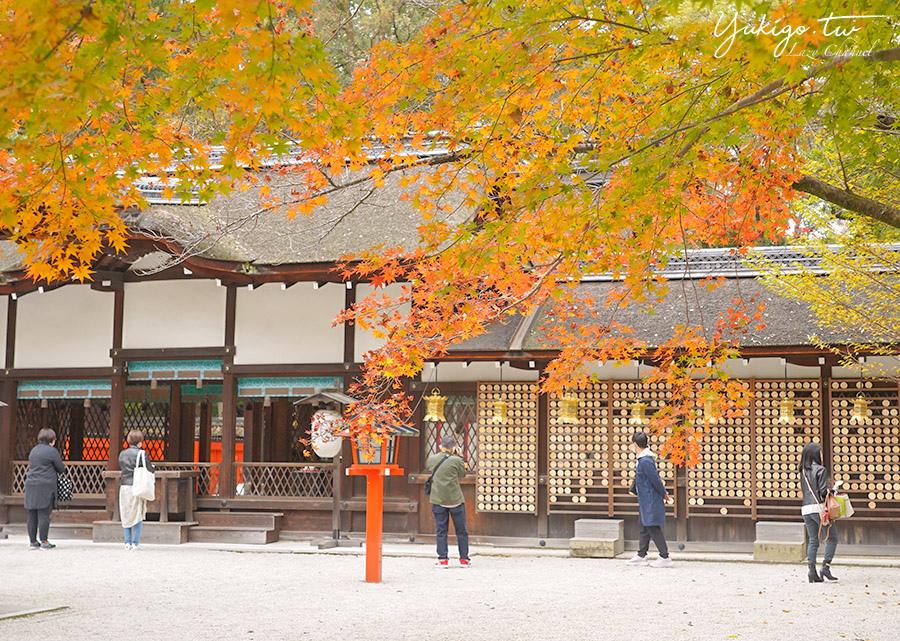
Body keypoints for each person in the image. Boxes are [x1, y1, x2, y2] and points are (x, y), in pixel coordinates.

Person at [625, 431, 674, 568]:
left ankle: (665, 556)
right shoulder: (643, 459)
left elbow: (655, 480)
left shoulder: (645, 461)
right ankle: (642, 555)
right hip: (646, 500)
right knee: (643, 526)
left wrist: (664, 493)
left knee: (652, 527)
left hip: (650, 500)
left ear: (634, 445)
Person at [426, 433, 470, 568]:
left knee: (441, 530)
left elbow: (430, 468)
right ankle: (464, 559)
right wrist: (460, 457)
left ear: (440, 446)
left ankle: (443, 559)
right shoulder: (457, 460)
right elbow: (463, 474)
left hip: (438, 499)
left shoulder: (432, 458)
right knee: (461, 530)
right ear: (453, 447)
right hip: (455, 499)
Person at [800, 441, 839, 582]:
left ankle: (812, 571)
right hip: (819, 509)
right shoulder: (821, 470)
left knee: (813, 540)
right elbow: (823, 493)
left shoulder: (802, 471)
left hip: (805, 509)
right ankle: (825, 567)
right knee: (832, 538)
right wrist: (833, 490)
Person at [24, 428, 67, 550]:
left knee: (32, 513)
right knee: (43, 514)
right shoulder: (52, 451)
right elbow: (60, 468)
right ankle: (44, 541)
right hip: (45, 485)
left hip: (31, 484)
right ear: (51, 440)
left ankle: (33, 541)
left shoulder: (33, 450)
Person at [118, 429, 156, 551]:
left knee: (126, 513)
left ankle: (127, 542)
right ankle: (135, 542)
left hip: (124, 485)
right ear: (140, 442)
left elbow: (121, 466)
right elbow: (149, 468)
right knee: (138, 514)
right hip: (137, 485)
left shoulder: (122, 454)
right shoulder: (142, 453)